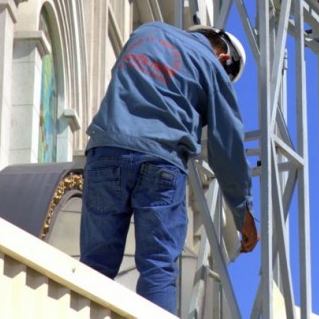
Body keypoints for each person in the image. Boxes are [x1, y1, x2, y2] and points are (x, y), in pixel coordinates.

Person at [80, 21, 258, 312]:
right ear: (225, 58)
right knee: (158, 268)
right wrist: (243, 213)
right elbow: (227, 147)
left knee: (95, 266)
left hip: (107, 152)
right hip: (161, 161)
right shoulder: (212, 66)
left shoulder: (145, 32)